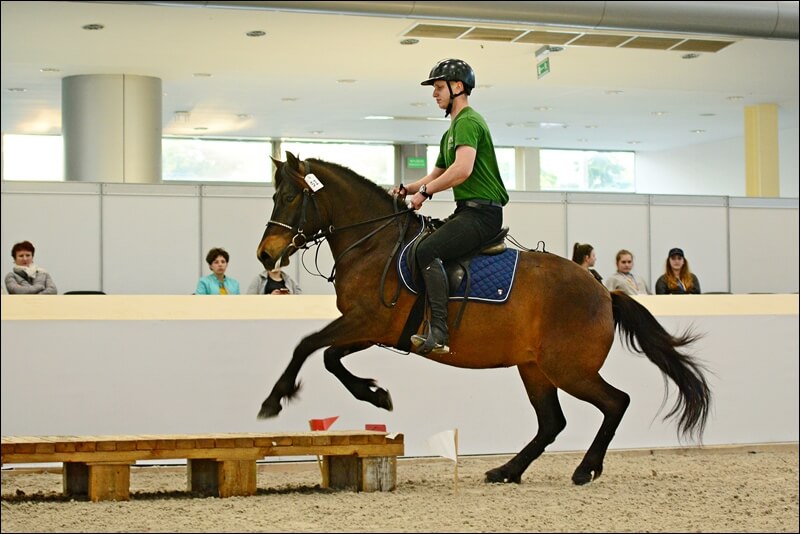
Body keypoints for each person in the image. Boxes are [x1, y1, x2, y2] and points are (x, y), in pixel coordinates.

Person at [391, 58, 509, 355]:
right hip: (468, 211)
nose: (434, 94)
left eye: (439, 87)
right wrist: (407, 189)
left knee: (427, 250)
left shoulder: (468, 122)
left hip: (483, 214)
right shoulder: (451, 131)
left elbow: (462, 169)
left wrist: (425, 194)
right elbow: (437, 174)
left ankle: (440, 332)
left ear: (458, 87)